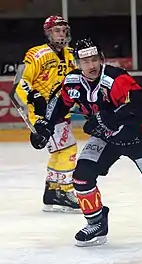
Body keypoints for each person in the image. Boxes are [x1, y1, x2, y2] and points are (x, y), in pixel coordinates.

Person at [29, 37, 142, 246]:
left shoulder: (117, 79)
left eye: (95, 59)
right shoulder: (72, 82)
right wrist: (46, 126)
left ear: (101, 59)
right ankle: (96, 223)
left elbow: (140, 108)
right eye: (86, 61)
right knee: (81, 176)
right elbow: (59, 103)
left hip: (139, 137)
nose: (91, 65)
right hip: (106, 137)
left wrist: (106, 117)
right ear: (78, 64)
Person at [15, 15, 80, 213]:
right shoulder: (36, 54)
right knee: (67, 150)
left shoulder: (70, 55)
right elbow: (20, 81)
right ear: (48, 33)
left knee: (60, 151)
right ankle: (63, 191)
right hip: (42, 114)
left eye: (63, 30)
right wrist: (33, 95)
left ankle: (53, 191)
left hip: (60, 111)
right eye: (56, 31)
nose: (61, 34)